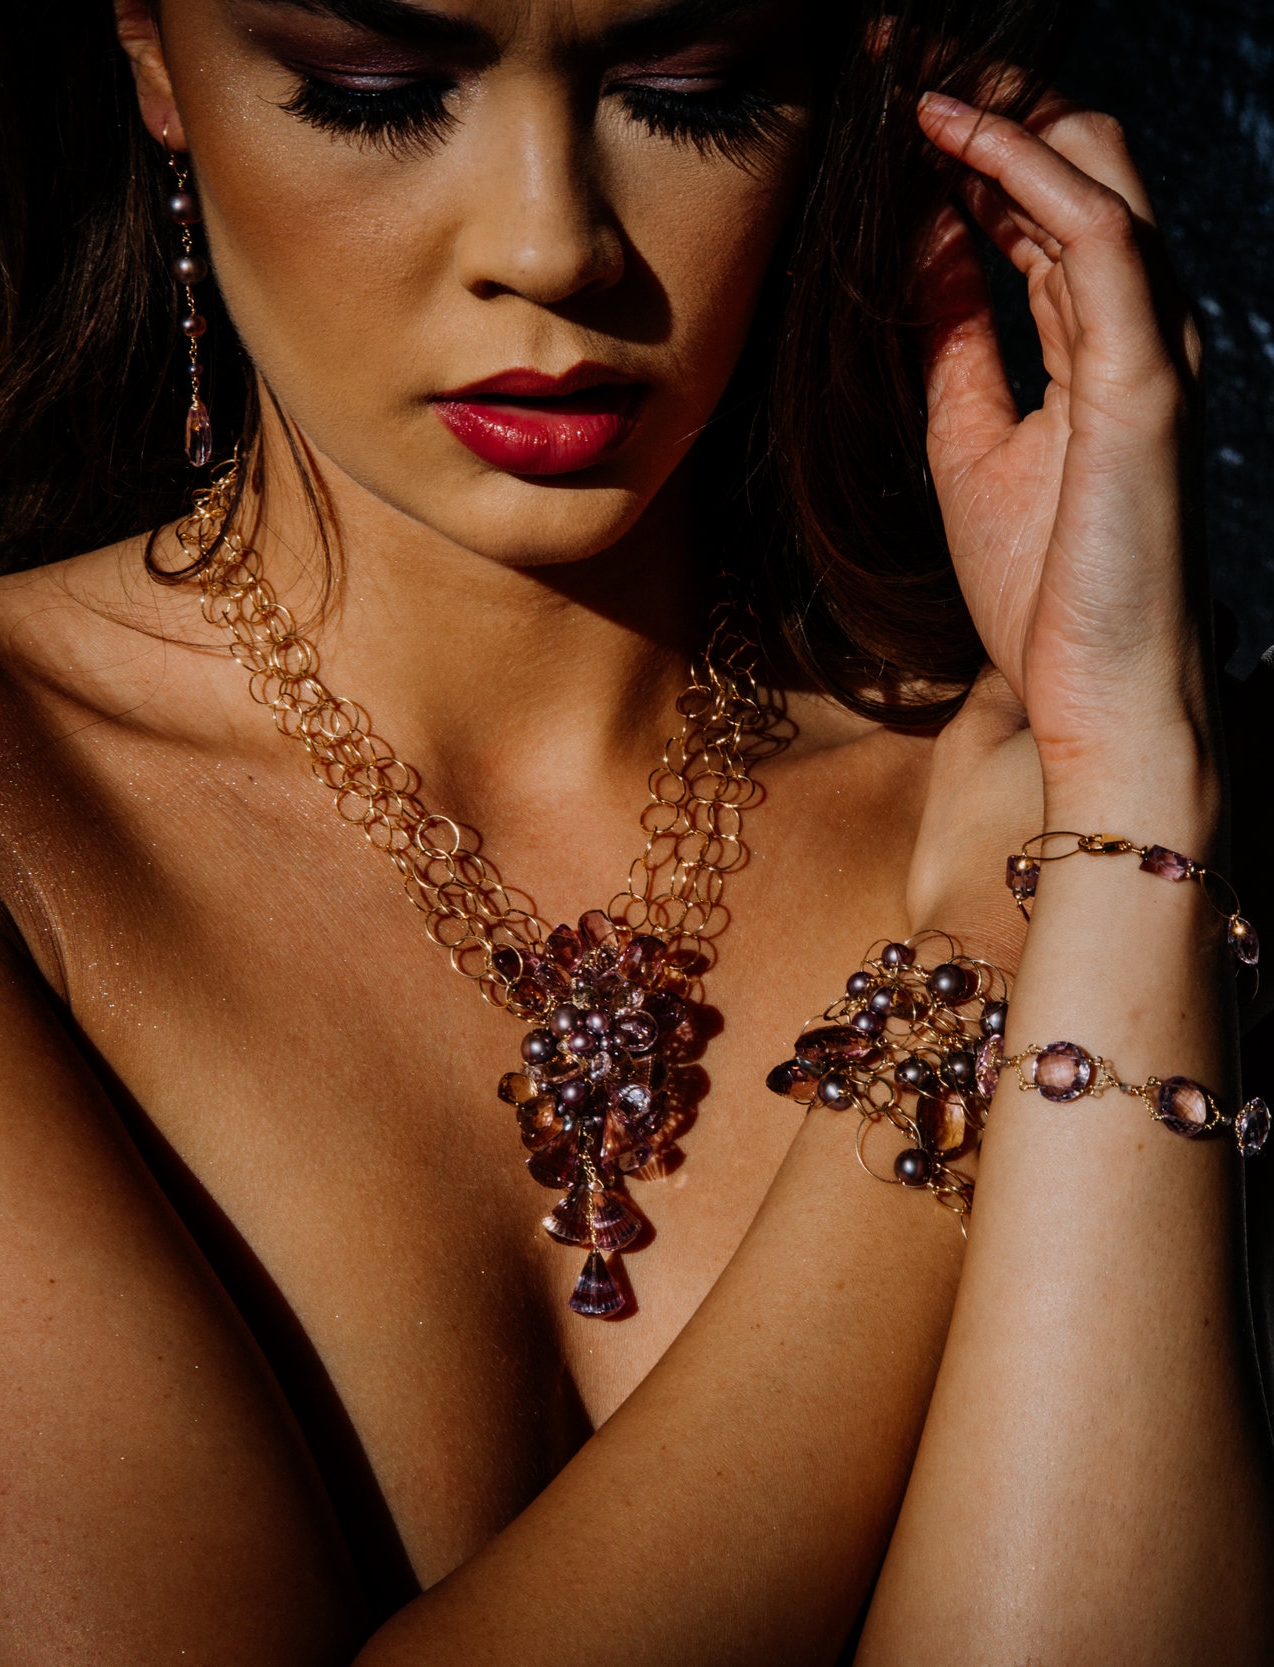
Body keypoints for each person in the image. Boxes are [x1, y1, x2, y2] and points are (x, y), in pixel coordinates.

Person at [0, 0, 1270, 1661]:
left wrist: (1118, 792)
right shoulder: (34, 813)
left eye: (690, 96)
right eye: (373, 93)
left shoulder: (1091, 828)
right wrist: (962, 989)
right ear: (158, 61)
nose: (552, 247)